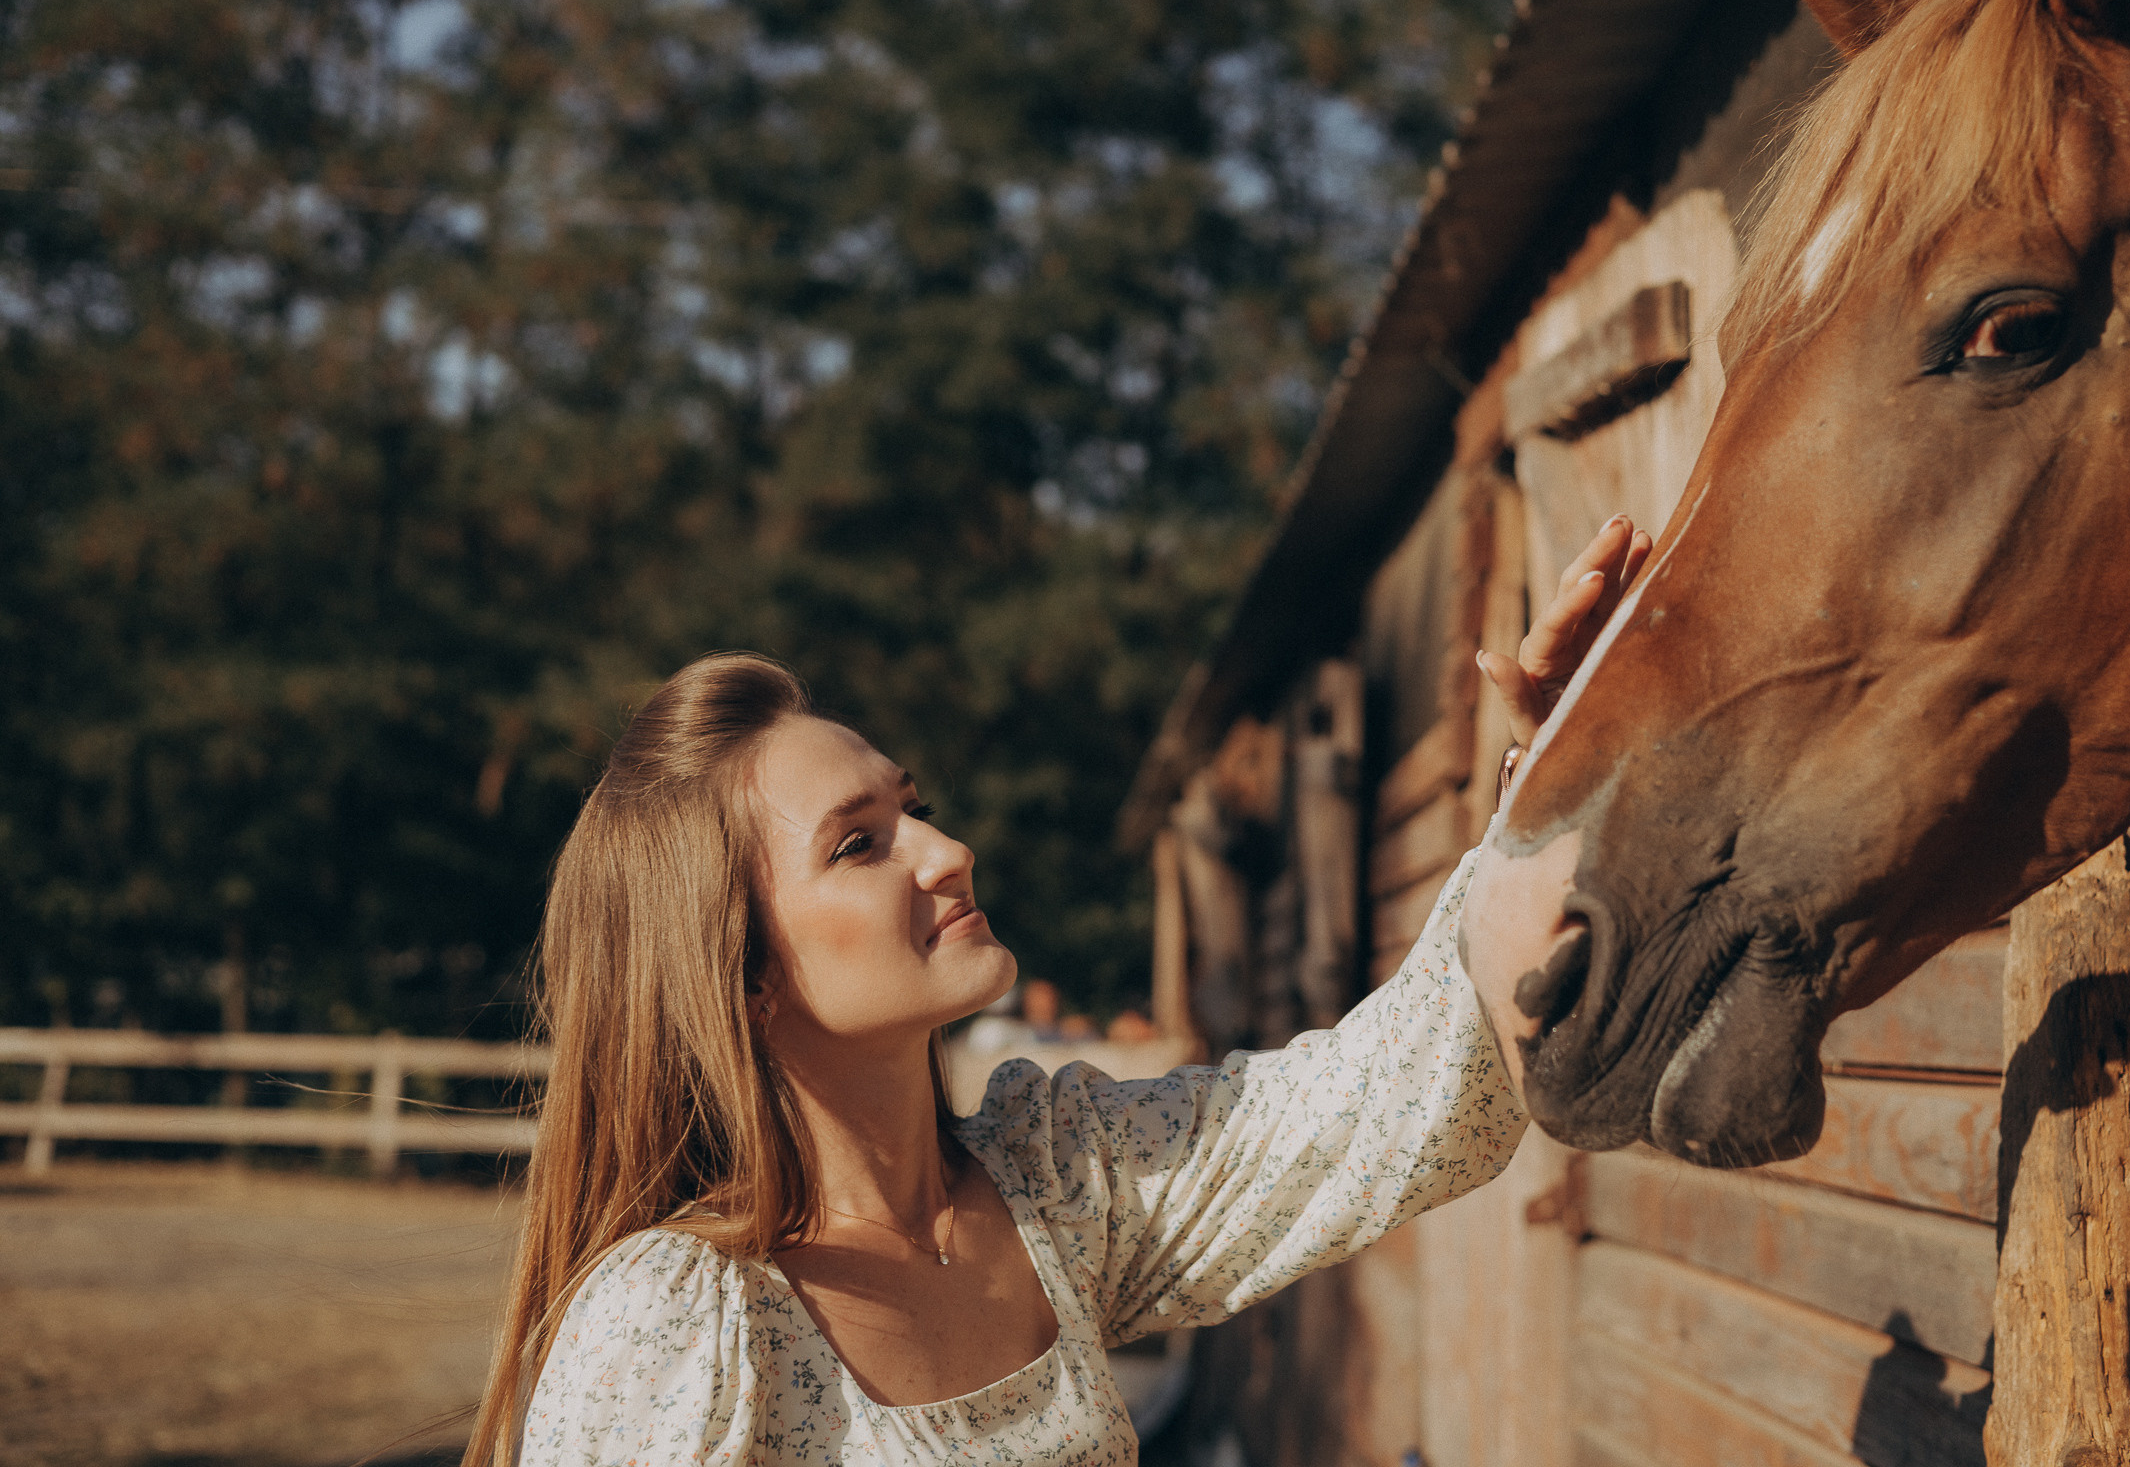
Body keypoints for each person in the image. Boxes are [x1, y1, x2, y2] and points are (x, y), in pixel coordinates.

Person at [467, 518, 1652, 1467]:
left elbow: (1381, 1105)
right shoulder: (682, 1318)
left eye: (910, 805)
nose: (945, 850)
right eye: (859, 844)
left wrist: (1547, 794)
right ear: (740, 972)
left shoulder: (1057, 1184)